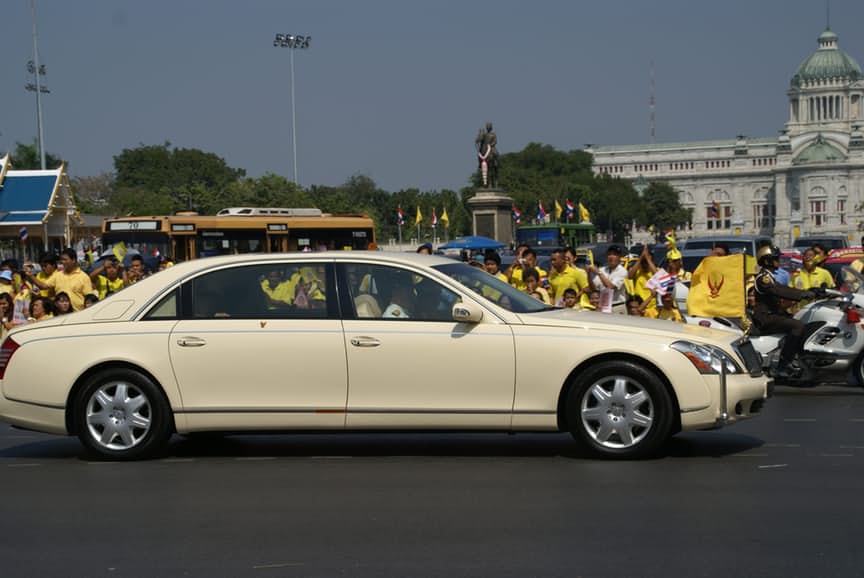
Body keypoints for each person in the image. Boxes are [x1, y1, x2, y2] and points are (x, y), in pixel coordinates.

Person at [752, 245, 814, 378]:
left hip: (772, 315)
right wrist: (803, 294)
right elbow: (779, 291)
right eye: (776, 258)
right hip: (766, 317)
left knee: (801, 319)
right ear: (767, 261)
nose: (778, 261)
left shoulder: (770, 277)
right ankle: (784, 365)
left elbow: (783, 288)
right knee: (797, 326)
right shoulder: (763, 278)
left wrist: (811, 291)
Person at [25, 248, 95, 311]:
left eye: (65, 259)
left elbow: (89, 299)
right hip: (60, 316)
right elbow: (43, 286)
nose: (62, 262)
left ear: (73, 260)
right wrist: (31, 276)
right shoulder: (58, 275)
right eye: (61, 260)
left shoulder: (84, 277)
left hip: (77, 314)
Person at [586, 245, 628, 314]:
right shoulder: (602, 269)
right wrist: (588, 274)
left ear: (620, 257)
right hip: (603, 306)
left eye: (614, 254)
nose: (611, 257)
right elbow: (593, 288)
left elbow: (610, 287)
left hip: (617, 306)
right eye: (609, 254)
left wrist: (598, 273)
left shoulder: (622, 271)